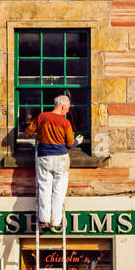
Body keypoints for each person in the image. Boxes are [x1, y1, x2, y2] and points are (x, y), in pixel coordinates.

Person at [24, 95, 82, 229]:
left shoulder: (42, 117)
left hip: (44, 157)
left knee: (44, 188)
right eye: (67, 109)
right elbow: (69, 143)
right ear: (62, 107)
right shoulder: (65, 123)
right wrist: (78, 141)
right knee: (59, 190)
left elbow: (28, 131)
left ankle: (44, 219)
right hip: (61, 158)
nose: (67, 111)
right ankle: (56, 221)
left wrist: (39, 133)